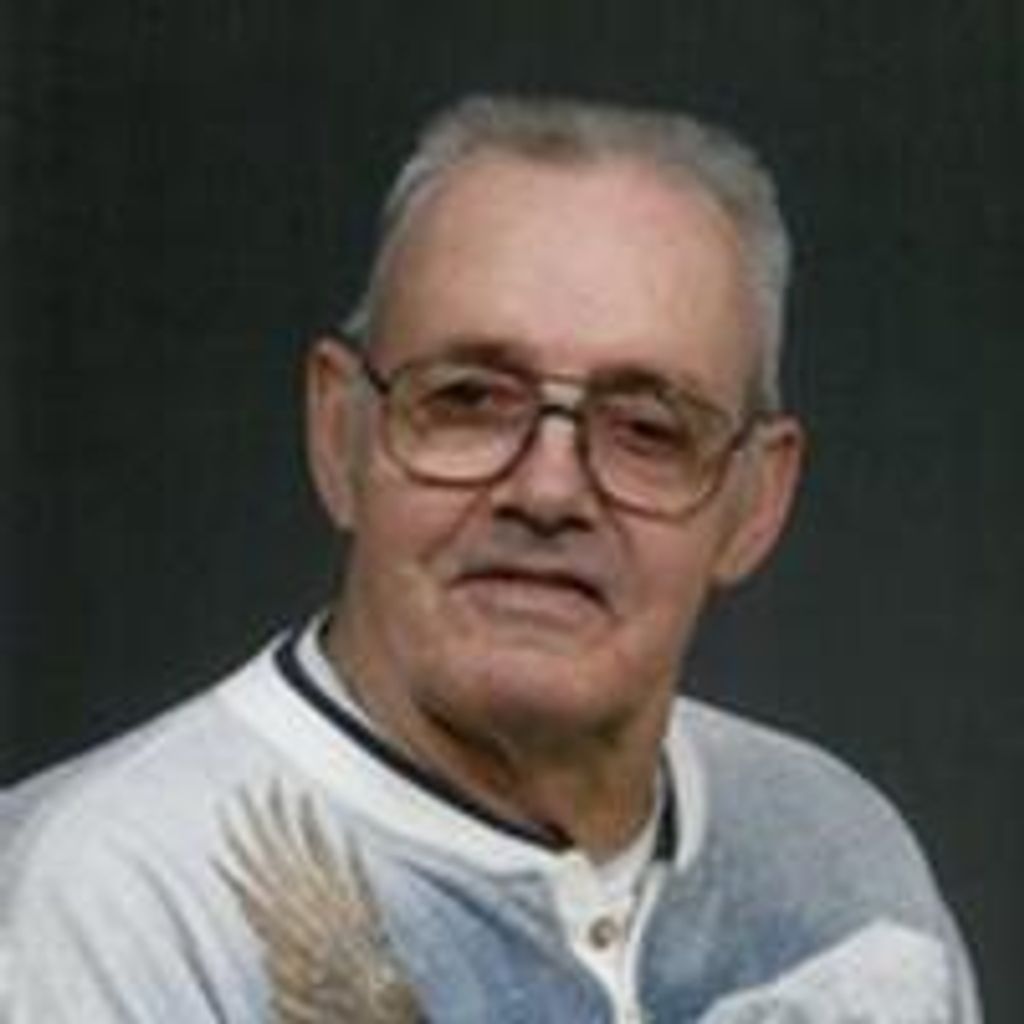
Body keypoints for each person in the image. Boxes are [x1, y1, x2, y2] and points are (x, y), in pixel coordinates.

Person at [1, 94, 981, 1022]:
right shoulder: (110, 900)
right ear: (340, 434)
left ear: (755, 499)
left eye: (647, 427)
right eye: (468, 399)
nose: (549, 492)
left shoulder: (841, 866)